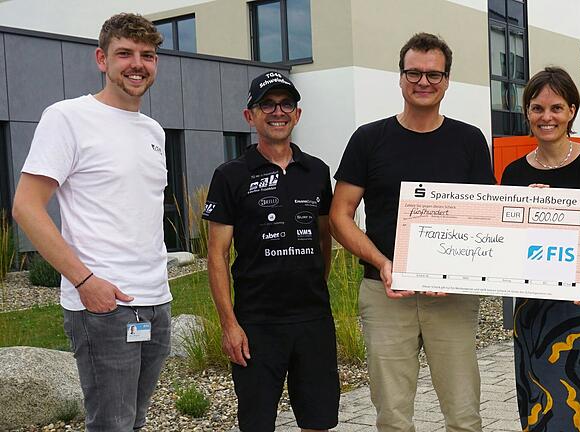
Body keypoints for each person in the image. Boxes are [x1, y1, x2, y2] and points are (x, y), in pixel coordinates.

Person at [12, 13, 170, 431]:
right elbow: (26, 206)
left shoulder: (153, 130)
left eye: (147, 55)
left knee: (133, 420)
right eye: (125, 53)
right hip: (103, 305)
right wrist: (85, 282)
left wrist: (161, 286)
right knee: (110, 424)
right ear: (102, 59)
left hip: (155, 301)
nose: (137, 63)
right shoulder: (67, 118)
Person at [330, 32, 496, 432]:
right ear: (400, 77)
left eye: (434, 75)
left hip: (451, 297)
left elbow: (485, 217)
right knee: (392, 415)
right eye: (414, 73)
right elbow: (340, 215)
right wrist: (382, 262)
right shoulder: (369, 139)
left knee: (464, 413)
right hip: (385, 291)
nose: (424, 82)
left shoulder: (469, 139)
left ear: (447, 80)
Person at [202, 71, 339, 432]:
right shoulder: (230, 175)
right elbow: (216, 255)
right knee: (257, 423)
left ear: (297, 114)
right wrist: (229, 325)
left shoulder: (317, 171)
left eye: (286, 104)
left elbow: (324, 239)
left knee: (319, 420)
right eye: (267, 104)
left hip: (313, 320)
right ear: (250, 115)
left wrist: (313, 283)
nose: (277, 112)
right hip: (257, 324)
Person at [500, 67, 580, 431]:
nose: (547, 117)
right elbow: (506, 245)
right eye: (538, 108)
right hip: (535, 312)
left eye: (556, 108)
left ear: (572, 110)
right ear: (527, 112)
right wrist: (525, 212)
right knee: (545, 407)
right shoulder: (513, 175)